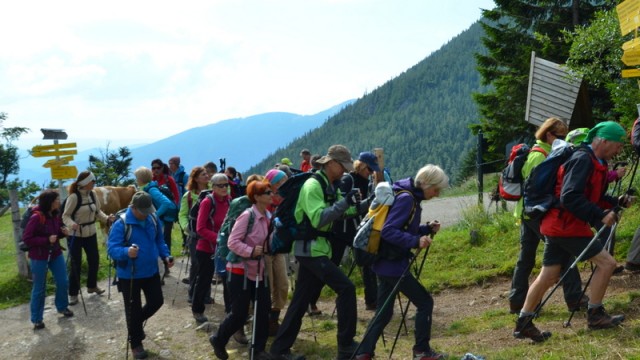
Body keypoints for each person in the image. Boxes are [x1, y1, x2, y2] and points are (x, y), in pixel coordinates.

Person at [514, 121, 633, 342]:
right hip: (566, 225)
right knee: (607, 264)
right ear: (604, 141)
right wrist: (599, 215)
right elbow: (569, 196)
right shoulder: (582, 160)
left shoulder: (596, 161)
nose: (619, 150)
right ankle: (595, 315)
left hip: (557, 224)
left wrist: (614, 201)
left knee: (548, 275)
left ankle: (524, 323)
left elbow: (589, 196)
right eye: (617, 145)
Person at [270, 145, 365, 360]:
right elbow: (319, 218)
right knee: (347, 288)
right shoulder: (313, 186)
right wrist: (344, 202)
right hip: (310, 250)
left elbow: (343, 212)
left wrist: (364, 205)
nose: (345, 171)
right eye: (343, 166)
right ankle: (346, 345)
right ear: (330, 163)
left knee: (300, 301)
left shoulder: (329, 184)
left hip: (316, 249)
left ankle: (279, 350)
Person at [355, 164, 448, 360]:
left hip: (384, 263)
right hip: (393, 265)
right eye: (436, 189)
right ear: (426, 184)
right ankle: (421, 351)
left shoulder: (408, 196)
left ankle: (363, 353)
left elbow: (403, 227)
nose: (437, 194)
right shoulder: (407, 199)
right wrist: (416, 241)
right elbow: (389, 231)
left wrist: (425, 229)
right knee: (425, 302)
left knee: (384, 312)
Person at [508, 117, 586, 314]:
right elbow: (536, 188)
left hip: (528, 213)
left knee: (525, 258)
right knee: (564, 253)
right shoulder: (540, 155)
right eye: (560, 136)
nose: (563, 139)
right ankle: (575, 298)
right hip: (537, 213)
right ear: (549, 134)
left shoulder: (546, 152)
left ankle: (518, 302)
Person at [307, 151, 379, 314]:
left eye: (373, 170)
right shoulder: (348, 179)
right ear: (361, 166)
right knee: (330, 267)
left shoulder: (367, 182)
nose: (371, 173)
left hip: (356, 230)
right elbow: (341, 206)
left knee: (367, 263)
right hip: (341, 233)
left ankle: (372, 301)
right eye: (369, 169)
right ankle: (311, 301)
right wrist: (364, 201)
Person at [209, 181, 274, 360]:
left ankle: (258, 350)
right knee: (240, 313)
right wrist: (251, 251)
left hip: (259, 271)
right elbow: (232, 242)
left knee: (263, 309)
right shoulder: (247, 215)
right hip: (239, 271)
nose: (271, 194)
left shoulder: (268, 215)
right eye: (267, 192)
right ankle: (218, 339)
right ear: (257, 197)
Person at [107, 191, 174, 359]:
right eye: (142, 211)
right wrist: (126, 251)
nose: (145, 214)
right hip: (129, 274)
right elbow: (112, 249)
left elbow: (159, 240)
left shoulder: (152, 218)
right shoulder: (121, 223)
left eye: (148, 211)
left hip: (151, 270)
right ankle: (136, 343)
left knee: (156, 301)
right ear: (133, 207)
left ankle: (135, 327)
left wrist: (166, 256)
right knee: (133, 309)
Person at [23, 189, 74, 330]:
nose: (59, 201)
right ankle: (37, 319)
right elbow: (27, 238)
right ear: (50, 203)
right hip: (39, 256)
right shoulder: (36, 217)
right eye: (57, 199)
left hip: (55, 253)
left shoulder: (55, 215)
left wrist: (62, 233)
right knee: (39, 288)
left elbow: (55, 234)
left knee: (63, 281)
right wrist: (46, 240)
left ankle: (62, 307)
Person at [62, 171, 114, 305]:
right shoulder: (73, 197)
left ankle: (91, 286)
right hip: (76, 235)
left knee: (94, 260)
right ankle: (73, 293)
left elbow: (97, 211)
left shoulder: (93, 194)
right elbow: (65, 216)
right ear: (86, 183)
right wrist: (72, 224)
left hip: (91, 233)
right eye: (93, 181)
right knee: (76, 265)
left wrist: (107, 219)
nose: (94, 183)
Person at [191, 173, 231, 324]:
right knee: (204, 279)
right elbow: (200, 228)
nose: (224, 188)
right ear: (213, 187)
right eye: (220, 185)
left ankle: (230, 311)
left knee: (228, 279)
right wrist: (219, 239)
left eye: (226, 185)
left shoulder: (229, 201)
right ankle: (197, 310)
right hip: (206, 248)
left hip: (225, 248)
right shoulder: (207, 202)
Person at [178, 166, 212, 304]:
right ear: (196, 178)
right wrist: (187, 228)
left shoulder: (211, 193)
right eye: (203, 174)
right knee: (196, 264)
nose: (206, 176)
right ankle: (193, 293)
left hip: (209, 234)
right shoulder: (189, 196)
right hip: (194, 235)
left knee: (209, 264)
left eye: (206, 174)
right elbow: (182, 215)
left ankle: (205, 295)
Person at [135, 166, 178, 278]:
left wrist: (153, 216)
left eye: (136, 177)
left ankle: (159, 274)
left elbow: (166, 203)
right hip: (156, 222)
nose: (136, 179)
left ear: (140, 178)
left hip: (159, 223)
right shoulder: (147, 188)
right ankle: (158, 273)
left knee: (155, 248)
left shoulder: (151, 190)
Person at [263, 169, 290, 335]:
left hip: (277, 248)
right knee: (267, 285)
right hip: (264, 249)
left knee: (282, 285)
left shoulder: (284, 200)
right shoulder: (263, 200)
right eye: (280, 182)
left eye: (285, 181)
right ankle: (264, 320)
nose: (284, 184)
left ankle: (274, 317)